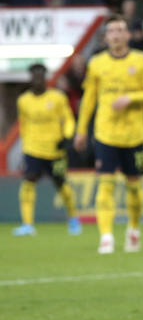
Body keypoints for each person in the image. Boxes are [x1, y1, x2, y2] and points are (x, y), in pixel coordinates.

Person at [74, 15, 143, 254]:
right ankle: (106, 236)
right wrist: (81, 130)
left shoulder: (142, 61)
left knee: (134, 188)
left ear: (128, 35)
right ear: (106, 36)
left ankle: (133, 229)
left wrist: (130, 98)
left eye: (121, 30)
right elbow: (89, 99)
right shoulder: (97, 63)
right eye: (112, 30)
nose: (116, 34)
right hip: (105, 134)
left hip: (135, 136)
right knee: (106, 184)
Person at [13, 63, 81, 236]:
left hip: (55, 151)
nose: (38, 79)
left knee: (60, 183)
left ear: (45, 77)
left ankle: (73, 219)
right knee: (29, 181)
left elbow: (68, 119)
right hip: (33, 150)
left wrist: (66, 136)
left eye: (41, 76)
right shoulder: (23, 100)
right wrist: (24, 149)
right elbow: (24, 126)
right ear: (31, 78)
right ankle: (27, 224)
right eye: (34, 76)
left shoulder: (57, 97)